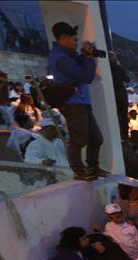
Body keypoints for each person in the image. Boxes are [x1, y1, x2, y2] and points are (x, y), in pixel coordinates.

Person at [47, 21, 105, 181]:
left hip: (81, 102)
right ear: (64, 38)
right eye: (74, 40)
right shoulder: (61, 59)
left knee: (96, 138)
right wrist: (87, 57)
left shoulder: (68, 56)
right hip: (72, 103)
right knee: (78, 138)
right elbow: (86, 76)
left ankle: (92, 166)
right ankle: (79, 170)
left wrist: (84, 55)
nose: (76, 42)